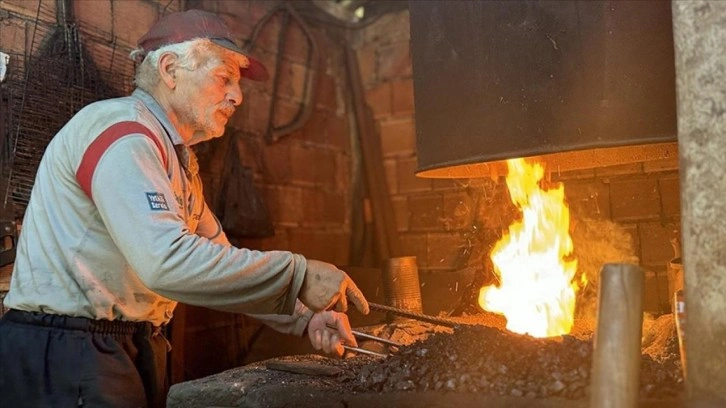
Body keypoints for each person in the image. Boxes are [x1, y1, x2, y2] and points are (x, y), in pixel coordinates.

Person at [0, 9, 369, 408]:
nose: (237, 96)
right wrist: (297, 273)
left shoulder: (175, 157)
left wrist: (303, 315)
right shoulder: (123, 133)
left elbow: (217, 259)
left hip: (120, 345)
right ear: (171, 68)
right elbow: (166, 263)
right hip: (66, 352)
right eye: (224, 78)